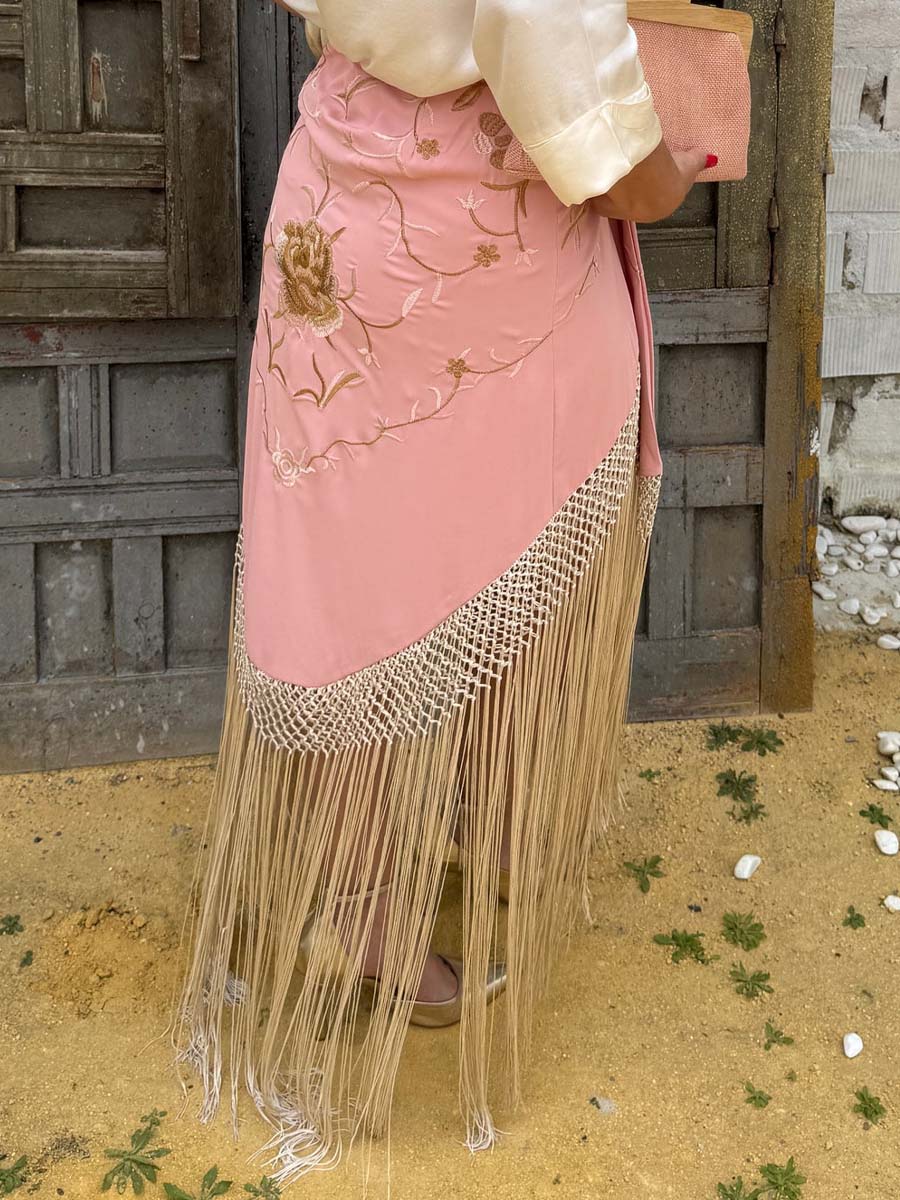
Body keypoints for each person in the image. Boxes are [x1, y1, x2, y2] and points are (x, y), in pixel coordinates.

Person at [172, 0, 710, 1186]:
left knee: (358, 569)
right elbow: (577, 101)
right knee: (470, 552)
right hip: (477, 234)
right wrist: (665, 166)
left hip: (337, 188)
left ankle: (367, 866)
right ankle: (386, 891)